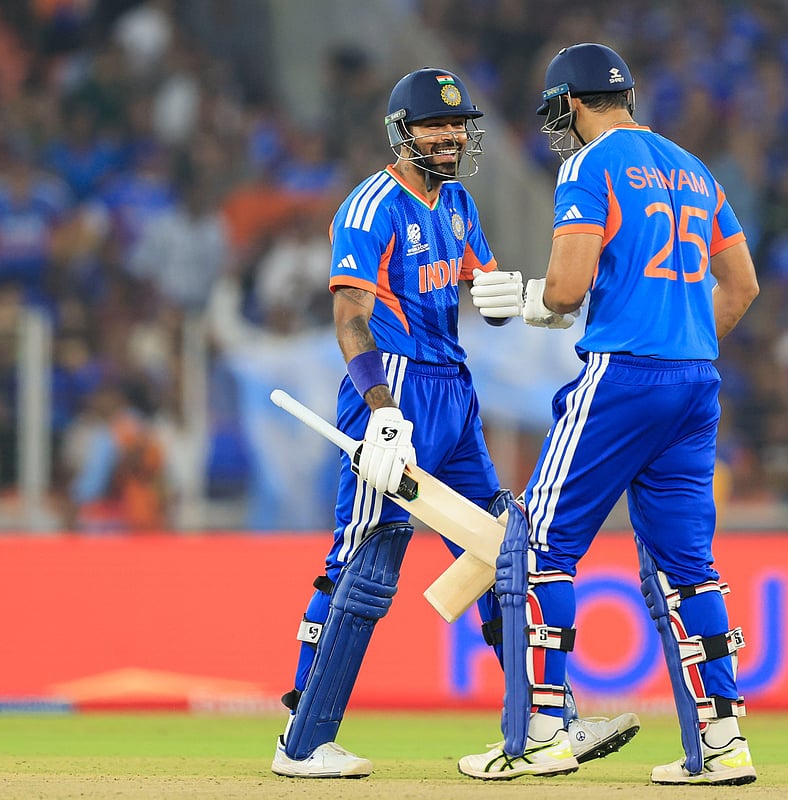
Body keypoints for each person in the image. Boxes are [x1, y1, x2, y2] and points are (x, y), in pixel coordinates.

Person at [270, 66, 638, 779]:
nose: (449, 136)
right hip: (396, 387)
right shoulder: (370, 205)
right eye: (434, 126)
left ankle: (543, 724)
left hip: (455, 389)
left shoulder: (461, 203)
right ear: (401, 133)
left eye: (457, 124)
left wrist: (500, 296)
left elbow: (482, 284)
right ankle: (303, 742)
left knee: (506, 550)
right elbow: (349, 316)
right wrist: (381, 413)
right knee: (366, 562)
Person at [457, 43, 759, 785]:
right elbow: (742, 286)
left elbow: (566, 287)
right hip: (695, 383)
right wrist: (680, 343)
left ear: (574, 102)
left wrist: (534, 301)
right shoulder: (694, 168)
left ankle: (542, 735)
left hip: (623, 376)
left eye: (557, 108)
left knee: (534, 546)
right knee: (689, 569)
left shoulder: (588, 167)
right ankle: (722, 745)